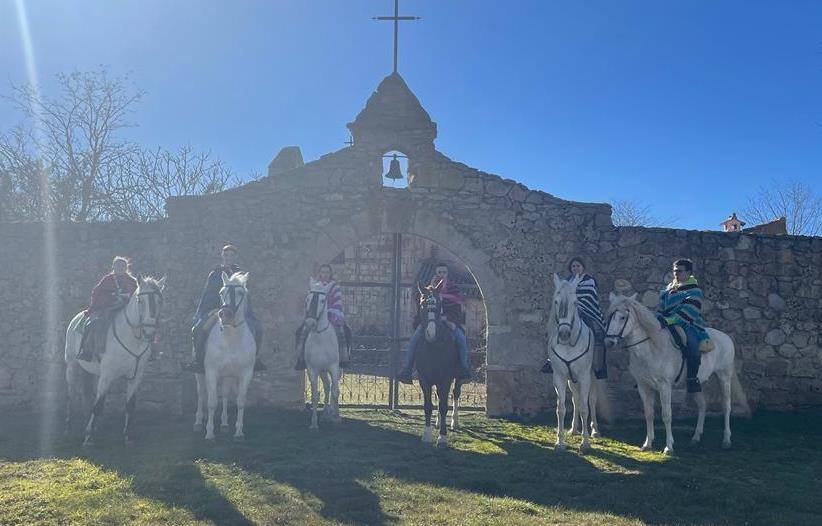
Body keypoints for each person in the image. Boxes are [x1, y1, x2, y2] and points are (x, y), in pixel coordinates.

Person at [183, 244, 266, 373]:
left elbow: (245, 296)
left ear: (235, 257)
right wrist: (213, 308)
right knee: (198, 329)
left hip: (239, 312)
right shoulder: (215, 274)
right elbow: (208, 294)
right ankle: (198, 360)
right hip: (217, 310)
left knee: (258, 328)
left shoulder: (241, 275)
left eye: (231, 255)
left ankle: (254, 359)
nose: (228, 258)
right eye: (226, 255)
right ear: (222, 256)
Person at [397, 262, 471, 384]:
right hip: (428, 322)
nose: (442, 275)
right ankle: (407, 370)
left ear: (447, 274)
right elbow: (421, 307)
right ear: (435, 273)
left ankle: (463, 369)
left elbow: (457, 309)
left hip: (448, 321)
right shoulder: (427, 291)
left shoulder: (453, 289)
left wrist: (448, 319)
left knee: (461, 339)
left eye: (444, 272)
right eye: (439, 272)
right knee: (414, 341)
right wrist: (424, 320)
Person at [541, 257, 608, 378]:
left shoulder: (589, 281)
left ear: (583, 267)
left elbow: (589, 297)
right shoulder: (566, 282)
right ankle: (551, 361)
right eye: (573, 266)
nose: (576, 268)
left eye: (578, 266)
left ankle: (599, 366)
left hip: (587, 313)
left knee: (598, 332)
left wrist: (579, 306)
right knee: (552, 331)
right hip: (568, 314)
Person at [656, 258, 712, 393]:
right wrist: (658, 317)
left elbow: (689, 311)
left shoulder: (695, 290)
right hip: (666, 322)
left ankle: (692, 379)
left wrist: (669, 320)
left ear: (689, 272)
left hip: (689, 324)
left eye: (679, 271)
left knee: (692, 346)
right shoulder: (668, 289)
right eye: (675, 271)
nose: (676, 274)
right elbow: (661, 307)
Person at [77, 256, 138, 361]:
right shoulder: (107, 280)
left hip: (127, 309)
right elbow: (96, 293)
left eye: (123, 266)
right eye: (118, 265)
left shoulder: (132, 281)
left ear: (126, 267)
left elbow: (137, 296)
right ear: (113, 266)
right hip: (107, 308)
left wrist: (128, 297)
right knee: (93, 324)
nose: (120, 268)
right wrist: (111, 297)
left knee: (147, 323)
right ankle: (87, 351)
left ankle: (150, 350)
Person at [294, 264, 350, 370]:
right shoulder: (314, 285)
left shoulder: (334, 286)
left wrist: (328, 311)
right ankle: (300, 358)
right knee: (301, 331)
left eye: (327, 272)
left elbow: (337, 302)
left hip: (332, 314)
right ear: (319, 273)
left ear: (330, 274)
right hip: (314, 315)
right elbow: (309, 301)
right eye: (323, 272)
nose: (325, 274)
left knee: (342, 331)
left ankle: (344, 357)